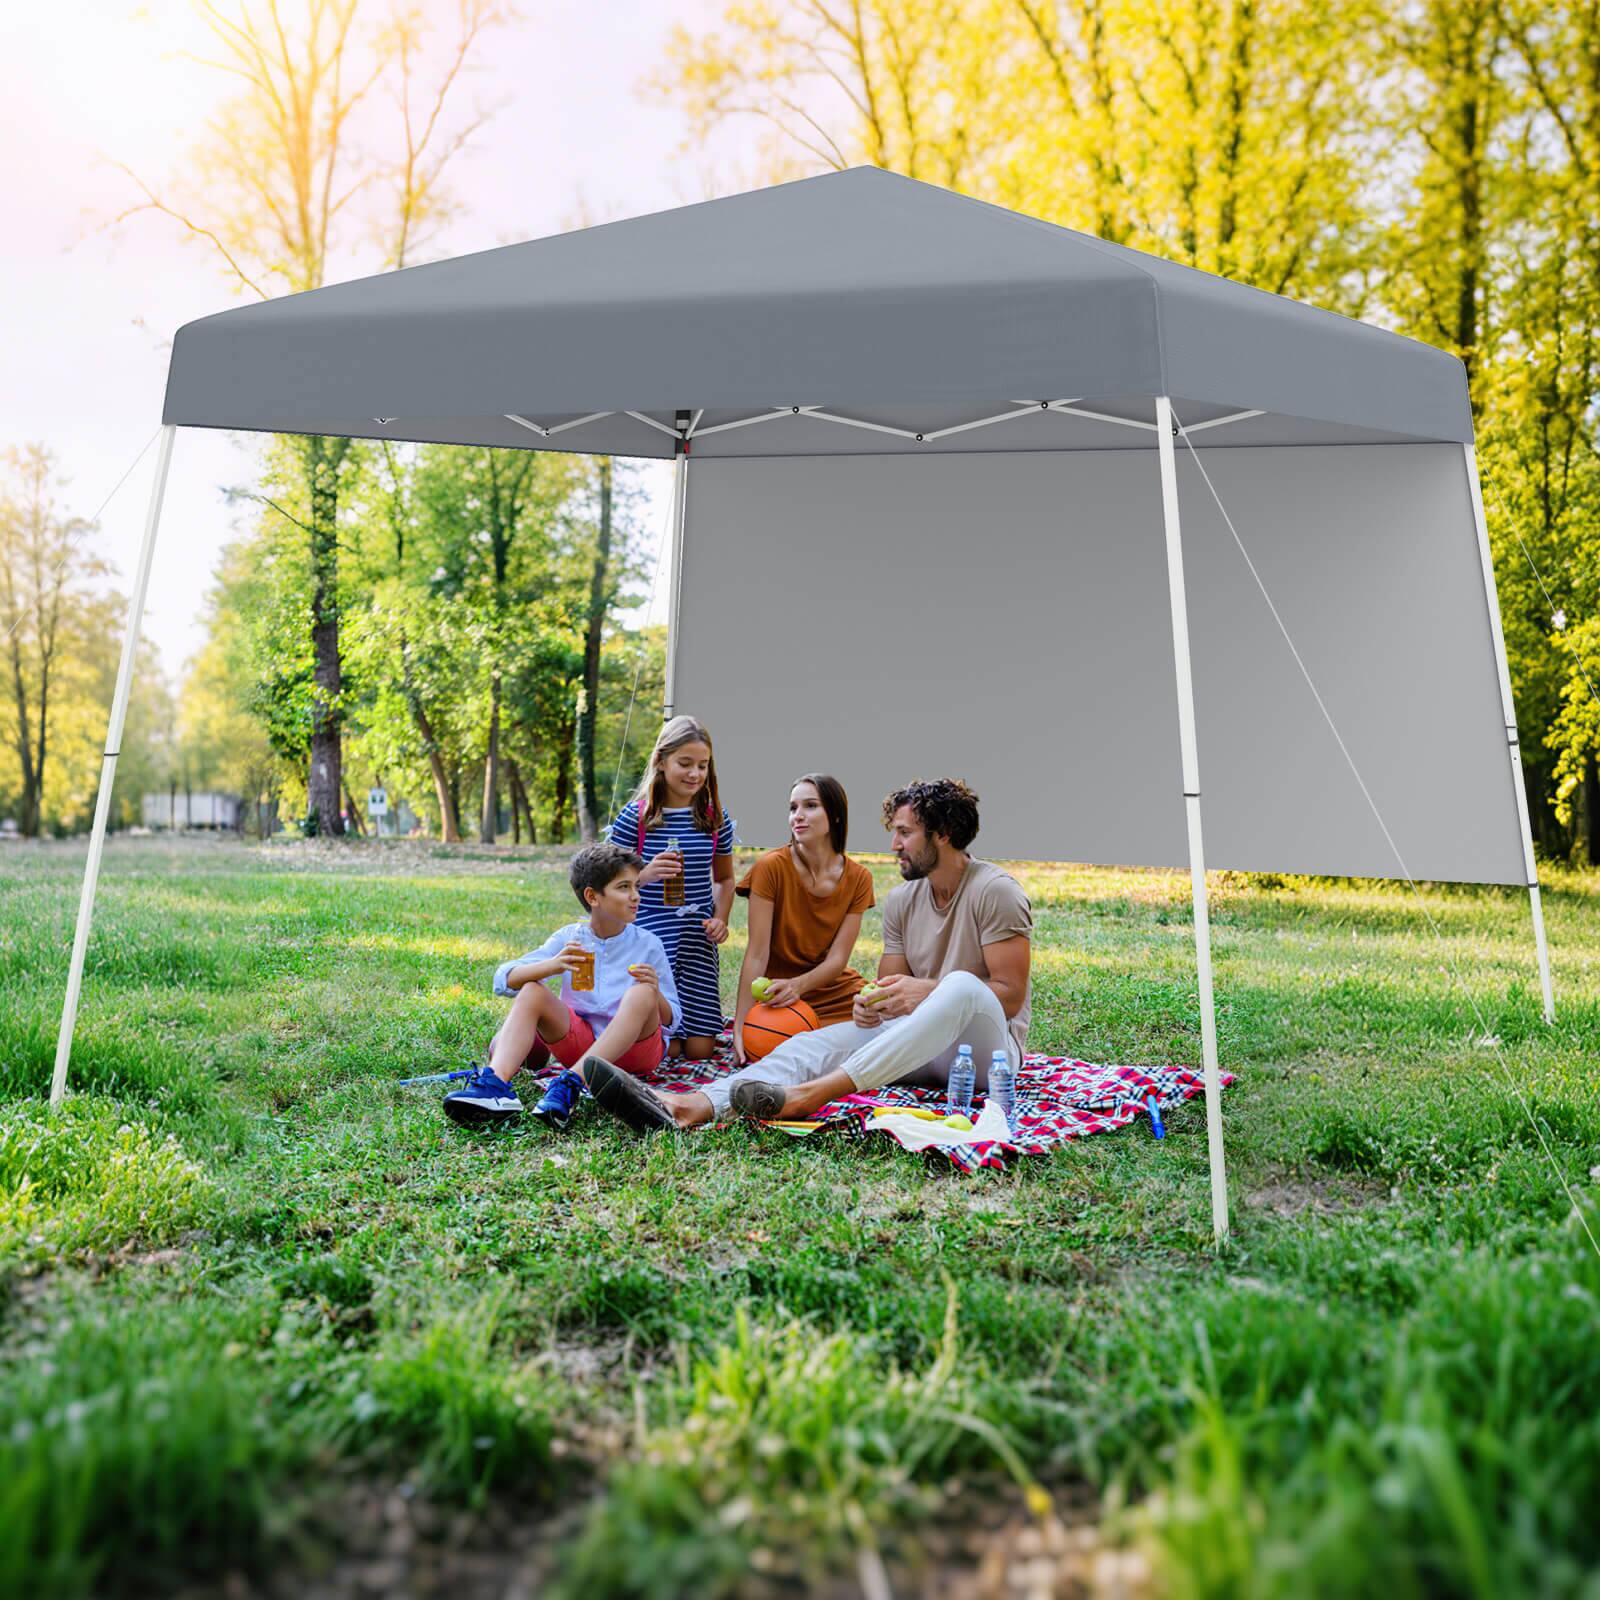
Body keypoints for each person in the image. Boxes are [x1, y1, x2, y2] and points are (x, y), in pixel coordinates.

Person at [585, 778, 1032, 1133]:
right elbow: (888, 990)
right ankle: (692, 1106)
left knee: (959, 987)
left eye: (904, 833)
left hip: (984, 1057)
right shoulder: (902, 900)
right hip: (916, 1049)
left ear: (943, 834)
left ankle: (809, 1096)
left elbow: (1008, 997)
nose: (894, 844)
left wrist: (926, 992)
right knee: (807, 1043)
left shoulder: (995, 892)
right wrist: (869, 1004)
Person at [441, 842, 680, 1130]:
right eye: (624, 887)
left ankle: (570, 1083)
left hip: (635, 1054)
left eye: (636, 886)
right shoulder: (570, 938)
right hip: (579, 1047)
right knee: (532, 989)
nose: (636, 896)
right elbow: (503, 979)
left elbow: (673, 1020)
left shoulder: (648, 943)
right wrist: (552, 965)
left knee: (642, 992)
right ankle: (496, 1085)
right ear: (593, 896)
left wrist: (655, 994)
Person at [608, 715, 736, 1061]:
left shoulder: (713, 819)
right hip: (650, 935)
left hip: (697, 937)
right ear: (661, 762)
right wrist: (644, 875)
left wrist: (721, 918)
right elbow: (607, 883)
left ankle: (680, 1033)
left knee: (699, 1050)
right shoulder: (636, 818)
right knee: (668, 1045)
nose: (695, 774)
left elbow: (724, 880)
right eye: (685, 764)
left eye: (703, 765)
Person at [731, 773, 875, 1061]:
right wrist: (741, 1027)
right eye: (793, 808)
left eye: (810, 806)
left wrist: (800, 985)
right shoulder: (770, 868)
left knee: (884, 1022)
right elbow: (756, 954)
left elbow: (837, 962)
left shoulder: (860, 878)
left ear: (834, 815)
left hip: (831, 989)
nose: (798, 816)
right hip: (779, 993)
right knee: (783, 1051)